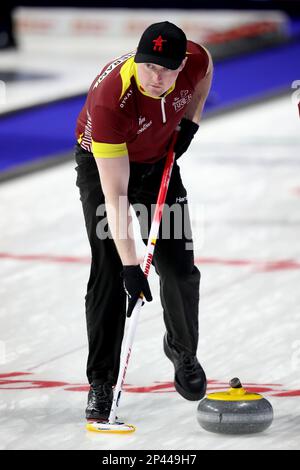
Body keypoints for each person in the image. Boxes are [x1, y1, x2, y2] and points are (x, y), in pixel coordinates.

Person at [74, 21, 213, 420]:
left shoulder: (195, 62)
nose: (155, 77)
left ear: (180, 64)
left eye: (165, 69)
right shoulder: (111, 101)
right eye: (148, 66)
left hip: (158, 166)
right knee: (109, 272)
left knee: (179, 266)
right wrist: (131, 266)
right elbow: (115, 197)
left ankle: (183, 351)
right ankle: (101, 382)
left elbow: (206, 73)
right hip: (106, 166)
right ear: (138, 59)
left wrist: (190, 121)